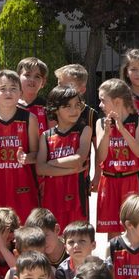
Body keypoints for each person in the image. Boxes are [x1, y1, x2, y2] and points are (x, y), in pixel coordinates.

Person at [0, 70, 43, 222]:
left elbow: (37, 154)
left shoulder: (29, 118)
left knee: (26, 234)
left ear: (20, 93)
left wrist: (27, 158)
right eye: (3, 88)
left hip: (24, 187)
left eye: (13, 88)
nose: (8, 92)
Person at [93, 79, 139, 237]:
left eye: (103, 100)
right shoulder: (101, 122)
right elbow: (101, 157)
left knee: (132, 230)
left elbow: (138, 152)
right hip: (109, 180)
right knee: (112, 234)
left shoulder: (138, 120)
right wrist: (106, 135)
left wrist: (122, 130)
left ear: (117, 101)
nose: (100, 105)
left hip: (130, 179)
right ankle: (113, 261)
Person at [38, 85, 93, 230]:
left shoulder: (84, 130)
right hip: (52, 197)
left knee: (78, 236)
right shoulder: (46, 135)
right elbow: (40, 168)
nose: (74, 110)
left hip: (77, 196)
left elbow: (78, 158)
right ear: (55, 109)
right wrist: (70, 170)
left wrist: (50, 163)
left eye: (77, 105)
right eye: (67, 106)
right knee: (53, 237)